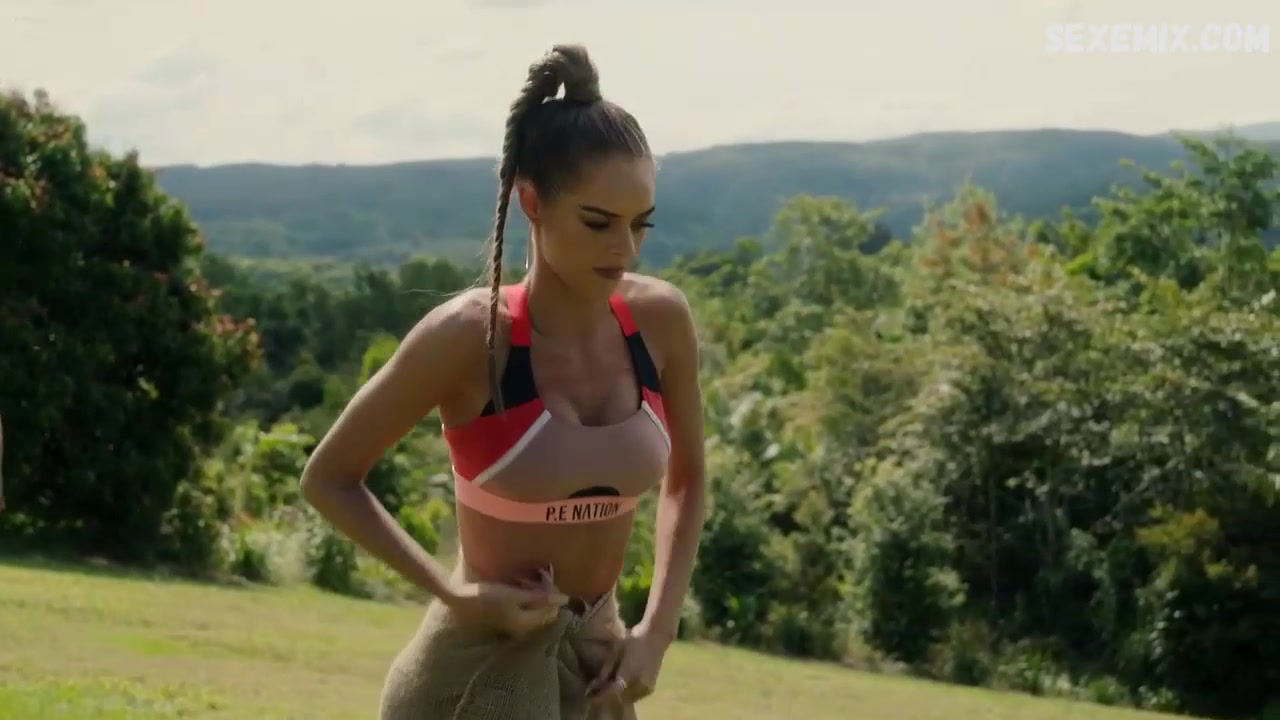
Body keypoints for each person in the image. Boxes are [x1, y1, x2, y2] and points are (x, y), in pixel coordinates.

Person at [300, 43, 706, 719]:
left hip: (598, 674)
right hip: (472, 676)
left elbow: (687, 482)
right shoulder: (470, 337)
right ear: (531, 202)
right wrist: (453, 594)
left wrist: (656, 634)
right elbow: (329, 478)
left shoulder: (661, 321)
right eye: (599, 223)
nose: (625, 248)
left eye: (641, 224)